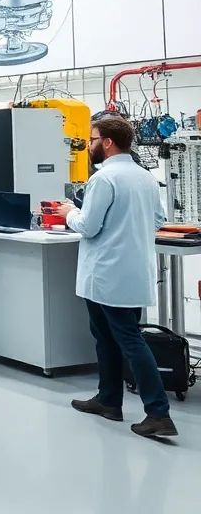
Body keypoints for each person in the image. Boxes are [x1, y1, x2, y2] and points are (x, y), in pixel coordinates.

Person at [62, 115, 177, 438]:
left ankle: (159, 413)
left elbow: (88, 225)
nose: (89, 146)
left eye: (92, 139)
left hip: (105, 273)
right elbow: (157, 220)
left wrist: (68, 212)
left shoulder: (104, 179)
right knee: (107, 338)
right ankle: (109, 399)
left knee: (128, 339)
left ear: (107, 142)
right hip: (130, 271)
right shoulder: (144, 177)